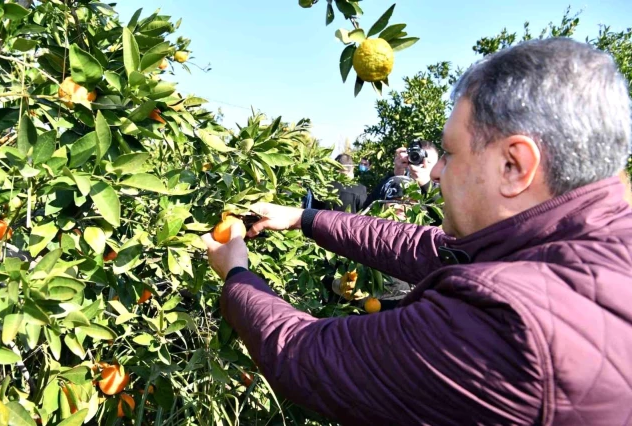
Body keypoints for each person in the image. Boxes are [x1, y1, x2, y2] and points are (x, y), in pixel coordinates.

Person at [203, 38, 632, 425]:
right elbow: (425, 247)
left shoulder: (506, 324)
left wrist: (237, 275)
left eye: (449, 152)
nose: (439, 172)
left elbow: (307, 357)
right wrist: (304, 218)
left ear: (513, 166)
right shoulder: (584, 245)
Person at [365, 140, 442, 225]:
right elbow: (367, 210)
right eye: (415, 157)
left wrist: (426, 185)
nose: (421, 163)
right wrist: (395, 174)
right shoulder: (397, 182)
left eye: (428, 162)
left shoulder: (443, 188)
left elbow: (447, 218)